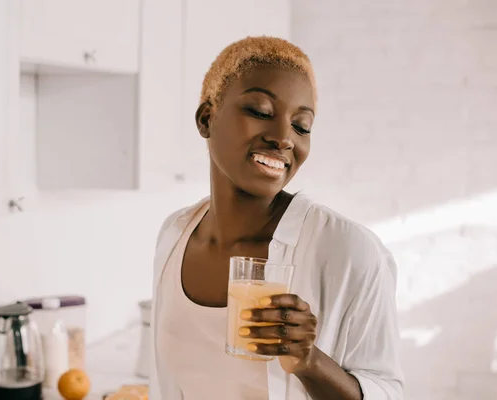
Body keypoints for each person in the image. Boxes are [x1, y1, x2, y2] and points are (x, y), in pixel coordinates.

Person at [149, 36, 403, 400]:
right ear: (207, 118)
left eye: (302, 126)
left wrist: (309, 361)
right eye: (260, 111)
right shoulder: (175, 235)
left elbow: (387, 391)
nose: (284, 138)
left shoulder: (347, 250)